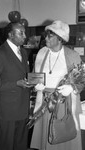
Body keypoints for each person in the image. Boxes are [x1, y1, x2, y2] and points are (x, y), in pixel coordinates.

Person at [30, 20, 83, 150]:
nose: (45, 38)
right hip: (44, 102)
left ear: (60, 39)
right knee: (45, 135)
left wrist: (71, 87)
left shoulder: (72, 55)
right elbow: (34, 75)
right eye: (46, 35)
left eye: (50, 36)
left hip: (63, 102)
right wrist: (35, 85)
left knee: (62, 135)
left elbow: (82, 78)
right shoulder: (41, 53)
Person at [0, 22, 31, 150]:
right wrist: (15, 84)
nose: (25, 36)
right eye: (21, 33)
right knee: (7, 143)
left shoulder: (23, 51)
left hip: (22, 106)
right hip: (7, 109)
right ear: (10, 35)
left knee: (21, 142)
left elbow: (24, 75)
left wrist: (32, 82)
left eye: (24, 32)